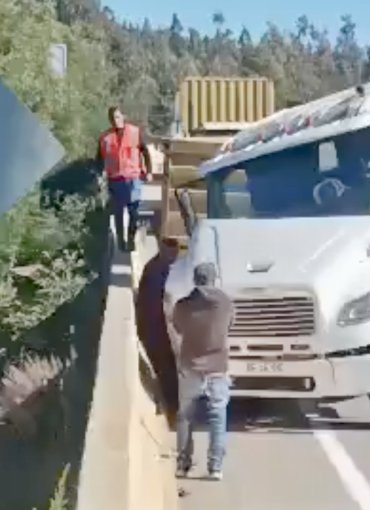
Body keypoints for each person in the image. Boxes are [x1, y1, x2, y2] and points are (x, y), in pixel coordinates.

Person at [171, 262, 234, 480]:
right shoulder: (226, 303)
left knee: (185, 416)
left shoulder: (183, 305)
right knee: (217, 416)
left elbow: (178, 328)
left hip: (190, 366)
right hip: (217, 367)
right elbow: (230, 326)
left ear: (195, 280)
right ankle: (215, 467)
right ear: (214, 280)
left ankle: (183, 465)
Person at [135, 237, 180, 424]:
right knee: (167, 372)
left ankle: (172, 410)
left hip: (160, 330)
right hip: (156, 331)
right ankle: (172, 412)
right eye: (172, 253)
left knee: (168, 372)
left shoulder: (160, 268)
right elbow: (154, 306)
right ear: (163, 250)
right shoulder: (155, 271)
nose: (174, 256)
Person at [96, 106, 152, 252]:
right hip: (115, 180)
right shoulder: (105, 138)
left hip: (134, 177)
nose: (115, 120)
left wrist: (149, 171)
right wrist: (99, 176)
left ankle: (131, 239)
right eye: (112, 118)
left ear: (123, 117)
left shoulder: (134, 132)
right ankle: (121, 241)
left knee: (134, 211)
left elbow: (145, 152)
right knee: (118, 213)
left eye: (117, 117)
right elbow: (99, 160)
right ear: (109, 120)